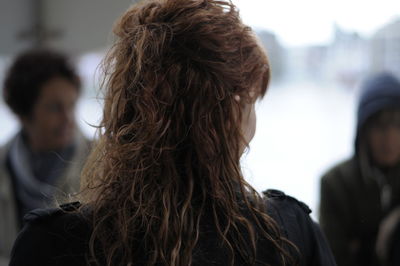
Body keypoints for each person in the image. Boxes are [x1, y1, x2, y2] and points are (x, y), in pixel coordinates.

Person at [9, 0, 336, 265]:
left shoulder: (52, 243)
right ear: (232, 115)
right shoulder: (287, 236)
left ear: (126, 109)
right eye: (251, 101)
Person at [0, 49, 91, 265]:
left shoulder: (101, 161)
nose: (68, 118)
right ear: (23, 114)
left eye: (71, 105)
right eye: (54, 108)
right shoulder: (3, 166)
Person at [319, 72, 400, 266]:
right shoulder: (335, 184)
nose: (389, 138)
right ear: (363, 132)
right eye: (380, 126)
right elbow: (332, 258)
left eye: (397, 125)